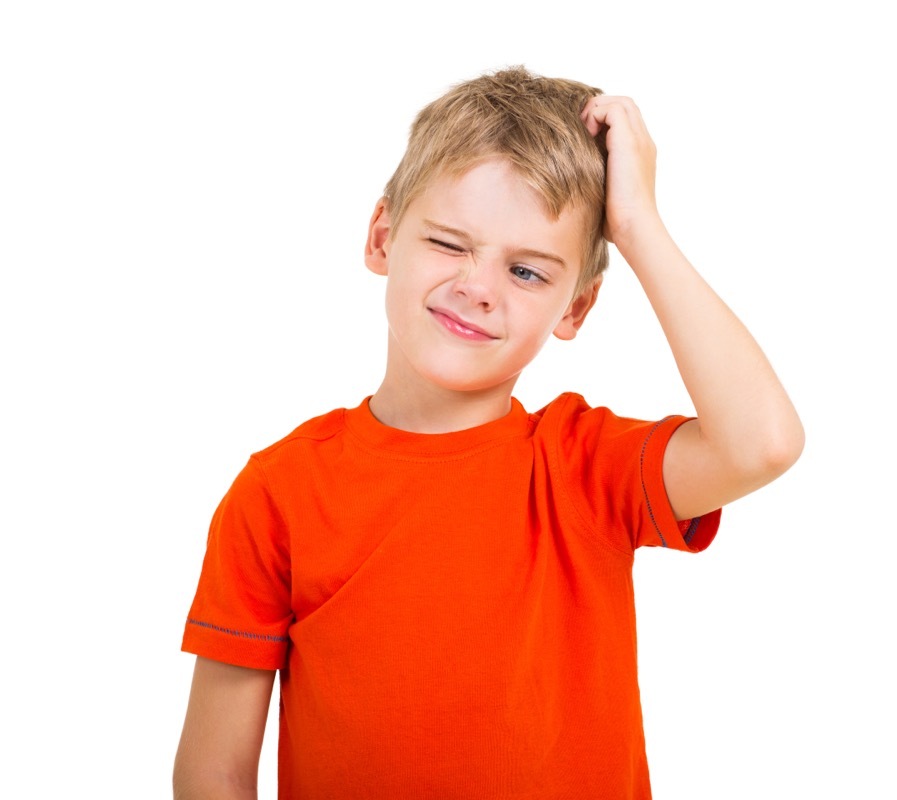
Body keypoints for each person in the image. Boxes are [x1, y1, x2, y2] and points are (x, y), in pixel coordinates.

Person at [173, 65, 804, 799]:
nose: (478, 286)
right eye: (449, 244)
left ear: (576, 310)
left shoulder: (584, 467)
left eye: (528, 273)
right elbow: (213, 771)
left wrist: (638, 226)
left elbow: (762, 442)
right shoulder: (278, 490)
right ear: (382, 237)